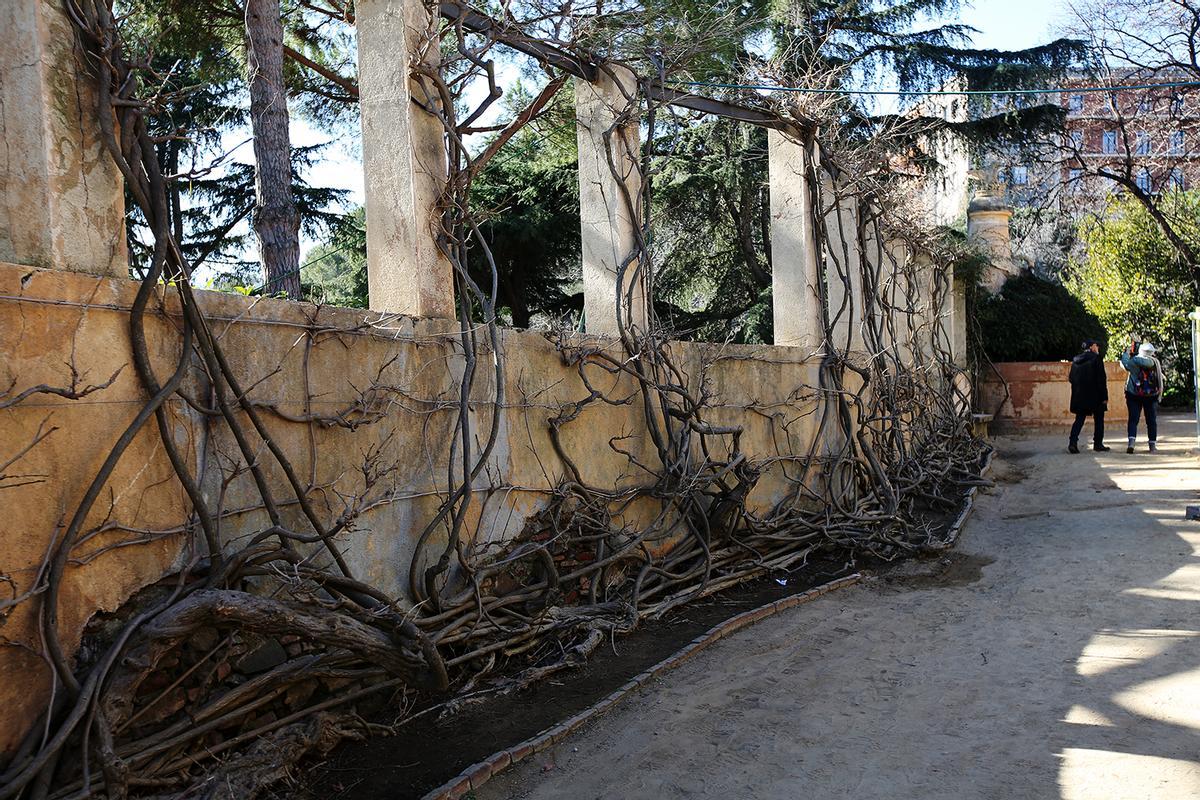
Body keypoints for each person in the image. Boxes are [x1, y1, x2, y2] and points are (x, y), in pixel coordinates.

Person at [1120, 338, 1164, 453]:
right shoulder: (1155, 362)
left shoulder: (1134, 361)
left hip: (1134, 394)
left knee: (1133, 420)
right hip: (1151, 395)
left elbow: (1125, 364)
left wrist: (1126, 353)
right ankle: (1152, 446)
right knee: (1151, 421)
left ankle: (1131, 443)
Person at [1068, 338, 1110, 453]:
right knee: (1099, 420)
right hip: (1096, 395)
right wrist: (1104, 397)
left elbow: (1071, 378)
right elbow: (1101, 379)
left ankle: (1072, 443)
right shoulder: (1096, 359)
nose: (1098, 348)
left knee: (1079, 419)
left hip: (1080, 395)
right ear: (1091, 347)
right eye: (1097, 346)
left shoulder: (1076, 360)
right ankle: (1098, 444)